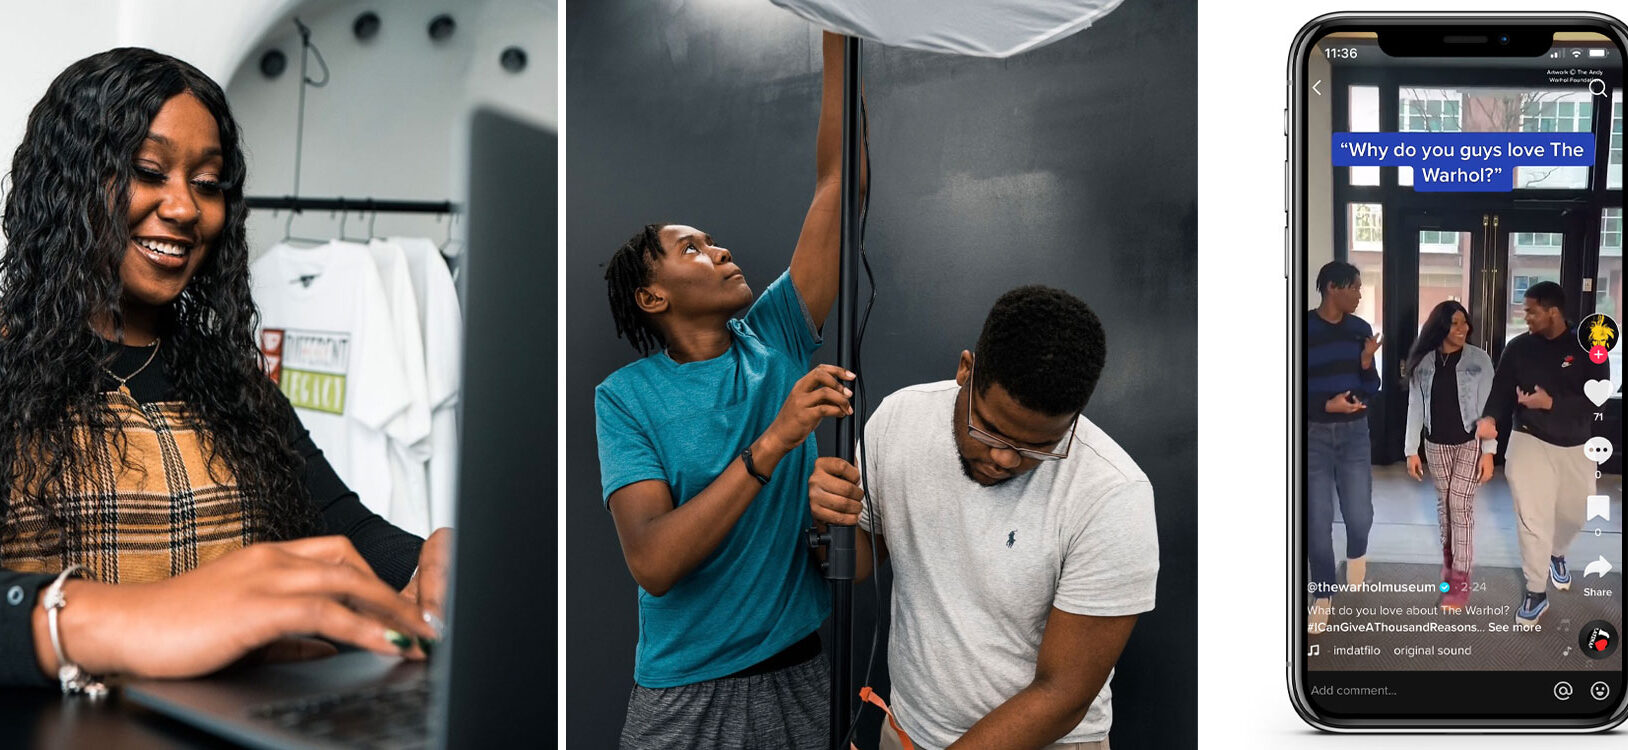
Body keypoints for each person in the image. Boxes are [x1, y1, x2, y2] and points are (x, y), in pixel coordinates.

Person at [0, 49, 445, 691]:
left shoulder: (236, 388)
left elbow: (349, 536)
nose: (184, 208)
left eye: (207, 183)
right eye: (147, 170)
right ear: (66, 183)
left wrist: (431, 560)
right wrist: (137, 618)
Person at [594, 32, 860, 750]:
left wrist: (838, 31)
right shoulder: (625, 399)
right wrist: (775, 441)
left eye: (713, 243)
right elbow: (654, 561)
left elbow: (839, 184)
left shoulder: (774, 334)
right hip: (687, 695)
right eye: (693, 249)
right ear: (652, 298)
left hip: (801, 676)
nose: (721, 252)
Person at [808, 286, 1158, 750]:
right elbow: (862, 559)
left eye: (1038, 446)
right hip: (909, 730)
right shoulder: (898, 419)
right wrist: (830, 520)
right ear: (965, 370)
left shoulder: (1113, 495)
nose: (1005, 458)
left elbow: (1063, 693)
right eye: (989, 429)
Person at [1474, 281, 1608, 627]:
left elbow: (1599, 396)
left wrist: (1552, 403)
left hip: (1576, 443)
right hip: (1529, 438)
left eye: (1531, 310)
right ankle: (1536, 592)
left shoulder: (1590, 344)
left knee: (1575, 515)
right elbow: (1502, 389)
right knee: (1533, 519)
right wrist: (1490, 418)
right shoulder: (1518, 348)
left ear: (1553, 311)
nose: (1526, 316)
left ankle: (1557, 553)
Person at [1402, 301, 1495, 611]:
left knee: (1460, 505)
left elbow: (1489, 411)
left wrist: (1489, 453)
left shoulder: (1479, 360)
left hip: (1470, 442)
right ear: (1441, 326)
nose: (1462, 329)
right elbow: (1415, 406)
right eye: (1455, 323)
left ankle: (1460, 581)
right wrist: (1410, 450)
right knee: (1444, 506)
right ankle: (1449, 562)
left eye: (1465, 323)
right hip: (1435, 445)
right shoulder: (1424, 362)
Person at [1305, 261, 1380, 633]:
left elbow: (1372, 385)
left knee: (1359, 514)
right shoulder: (1301, 328)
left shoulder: (1359, 330)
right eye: (1355, 287)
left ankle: (1356, 552)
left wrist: (1366, 362)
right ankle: (1322, 592)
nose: (1360, 294)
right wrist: (1324, 406)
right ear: (1333, 288)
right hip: (1314, 437)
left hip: (1353, 434)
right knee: (1316, 521)